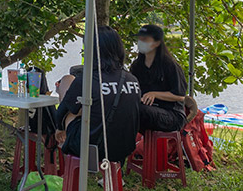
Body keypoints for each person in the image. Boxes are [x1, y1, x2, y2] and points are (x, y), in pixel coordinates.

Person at [55, 26, 141, 165]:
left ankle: (65, 144)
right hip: (123, 148)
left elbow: (62, 111)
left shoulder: (88, 79)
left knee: (68, 86)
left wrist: (59, 128)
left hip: (93, 147)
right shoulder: (132, 79)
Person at [131, 24, 192, 133]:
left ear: (156, 43)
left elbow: (180, 96)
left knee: (140, 111)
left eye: (145, 39)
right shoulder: (136, 66)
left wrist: (154, 94)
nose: (140, 42)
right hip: (146, 110)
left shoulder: (169, 65)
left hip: (171, 114)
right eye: (139, 39)